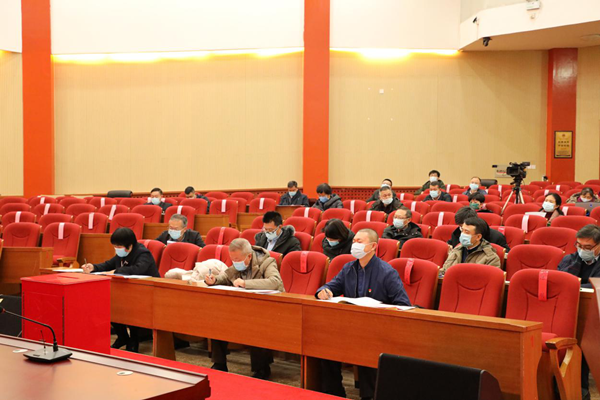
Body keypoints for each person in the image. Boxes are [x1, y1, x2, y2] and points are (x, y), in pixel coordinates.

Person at [315, 229, 411, 399]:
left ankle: (369, 396)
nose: (354, 245)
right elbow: (330, 286)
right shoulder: (349, 268)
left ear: (372, 246)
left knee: (368, 348)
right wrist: (323, 291)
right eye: (354, 241)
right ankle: (334, 393)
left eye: (359, 242)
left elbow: (403, 304)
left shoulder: (387, 272)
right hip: (350, 326)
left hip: (377, 330)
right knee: (325, 345)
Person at [204, 239, 283, 378]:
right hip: (245, 307)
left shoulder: (267, 262)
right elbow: (226, 276)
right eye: (232, 259)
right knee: (218, 319)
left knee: (257, 324)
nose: (235, 262)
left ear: (249, 256)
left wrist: (246, 283)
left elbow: (275, 282)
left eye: (237, 260)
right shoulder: (238, 263)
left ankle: (262, 369)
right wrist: (214, 280)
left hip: (268, 309)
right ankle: (219, 363)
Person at [82, 228, 160, 352]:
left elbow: (137, 269)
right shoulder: (121, 254)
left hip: (149, 292)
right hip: (128, 291)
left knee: (129, 306)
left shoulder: (143, 253)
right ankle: (122, 337)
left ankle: (134, 340)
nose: (117, 249)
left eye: (119, 246)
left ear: (130, 245)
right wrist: (93, 267)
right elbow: (108, 264)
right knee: (111, 304)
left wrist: (116, 271)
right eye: (115, 246)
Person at [558, 224, 600, 400]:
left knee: (583, 341)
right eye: (579, 246)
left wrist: (573, 285)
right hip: (567, 310)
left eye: (588, 247)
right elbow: (559, 281)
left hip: (595, 313)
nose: (582, 250)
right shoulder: (570, 259)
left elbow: (597, 286)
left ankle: (580, 389)